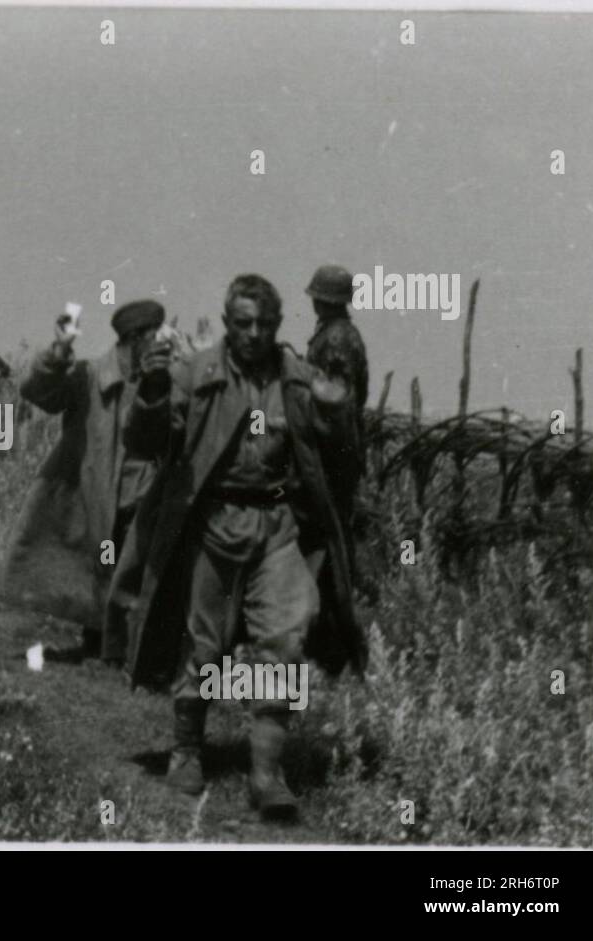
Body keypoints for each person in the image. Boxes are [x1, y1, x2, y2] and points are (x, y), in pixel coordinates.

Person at [112, 275, 365, 819]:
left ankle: (266, 774)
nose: (254, 334)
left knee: (289, 631)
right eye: (244, 323)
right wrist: (152, 393)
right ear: (228, 325)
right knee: (204, 643)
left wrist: (336, 408)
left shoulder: (297, 377)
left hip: (275, 526)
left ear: (277, 327)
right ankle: (186, 751)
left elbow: (337, 448)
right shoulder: (196, 374)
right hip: (213, 524)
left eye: (265, 324)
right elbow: (147, 440)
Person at [0, 299, 168, 664]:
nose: (161, 344)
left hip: (143, 493)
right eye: (155, 336)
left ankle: (123, 647)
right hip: (97, 492)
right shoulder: (89, 376)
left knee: (134, 566)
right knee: (103, 560)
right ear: (136, 338)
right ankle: (101, 640)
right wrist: (59, 350)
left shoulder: (159, 375)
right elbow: (39, 392)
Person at [304, 265, 369, 526]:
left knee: (330, 519)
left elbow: (336, 397)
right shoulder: (337, 332)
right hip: (335, 437)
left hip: (333, 440)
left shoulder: (336, 337)